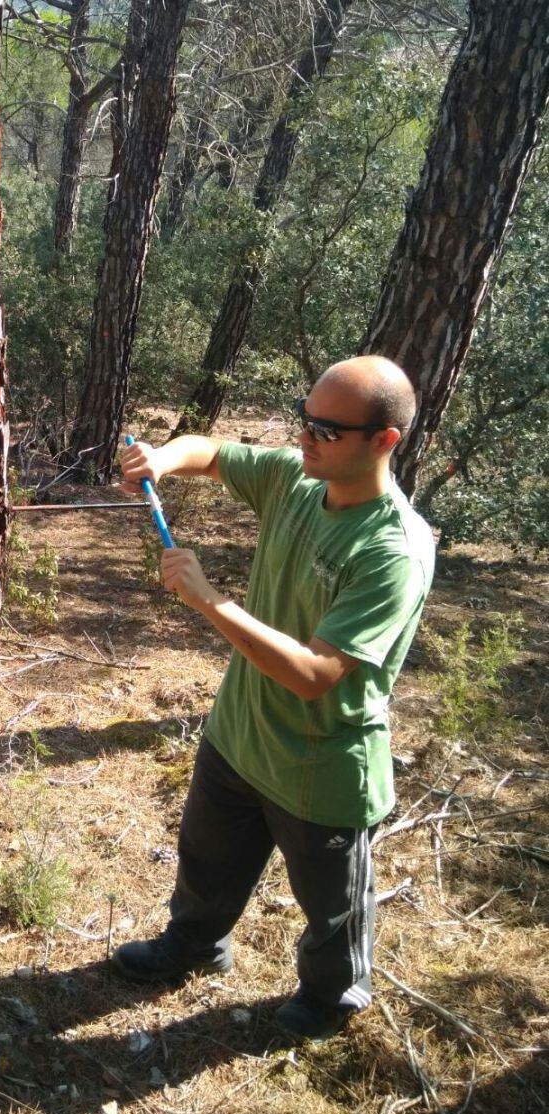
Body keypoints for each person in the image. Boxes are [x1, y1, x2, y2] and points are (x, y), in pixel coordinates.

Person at [114, 355, 435, 1042]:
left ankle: (329, 999)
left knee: (331, 911)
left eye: (327, 429)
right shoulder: (296, 477)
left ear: (385, 440)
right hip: (239, 732)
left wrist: (209, 599)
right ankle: (195, 945)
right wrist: (162, 460)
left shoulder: (392, 550)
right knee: (207, 860)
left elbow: (316, 674)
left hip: (320, 764)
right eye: (304, 419)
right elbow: (213, 454)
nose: (306, 438)